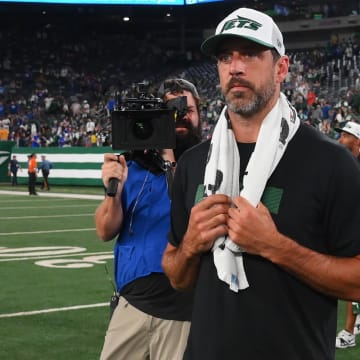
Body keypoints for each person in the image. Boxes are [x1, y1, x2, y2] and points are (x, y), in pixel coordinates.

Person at [161, 8, 360, 360]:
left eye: (250, 54)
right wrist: (191, 243)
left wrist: (275, 247)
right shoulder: (193, 164)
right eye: (225, 57)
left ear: (281, 68)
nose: (235, 67)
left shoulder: (332, 163)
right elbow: (176, 276)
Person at [95, 78, 201, 360]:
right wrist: (112, 191)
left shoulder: (209, 162)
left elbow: (188, 208)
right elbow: (105, 230)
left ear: (200, 115)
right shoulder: (131, 166)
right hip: (133, 302)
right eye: (171, 112)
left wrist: (168, 156)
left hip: (182, 307)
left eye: (187, 110)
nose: (181, 117)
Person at [334, 120, 360, 349]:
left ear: (357, 140)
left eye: (345, 135)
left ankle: (350, 331)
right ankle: (352, 328)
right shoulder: (344, 163)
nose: (340, 139)